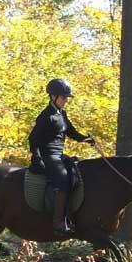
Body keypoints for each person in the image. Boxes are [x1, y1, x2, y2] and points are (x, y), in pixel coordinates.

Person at [28, 78, 95, 235]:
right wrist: (37, 157)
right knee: (63, 178)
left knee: (77, 171)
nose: (65, 101)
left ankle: (71, 216)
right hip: (48, 155)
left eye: (66, 98)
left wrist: (86, 139)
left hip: (59, 154)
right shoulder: (46, 116)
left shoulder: (61, 114)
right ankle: (58, 222)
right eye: (63, 97)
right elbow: (33, 139)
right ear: (53, 97)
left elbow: (71, 132)